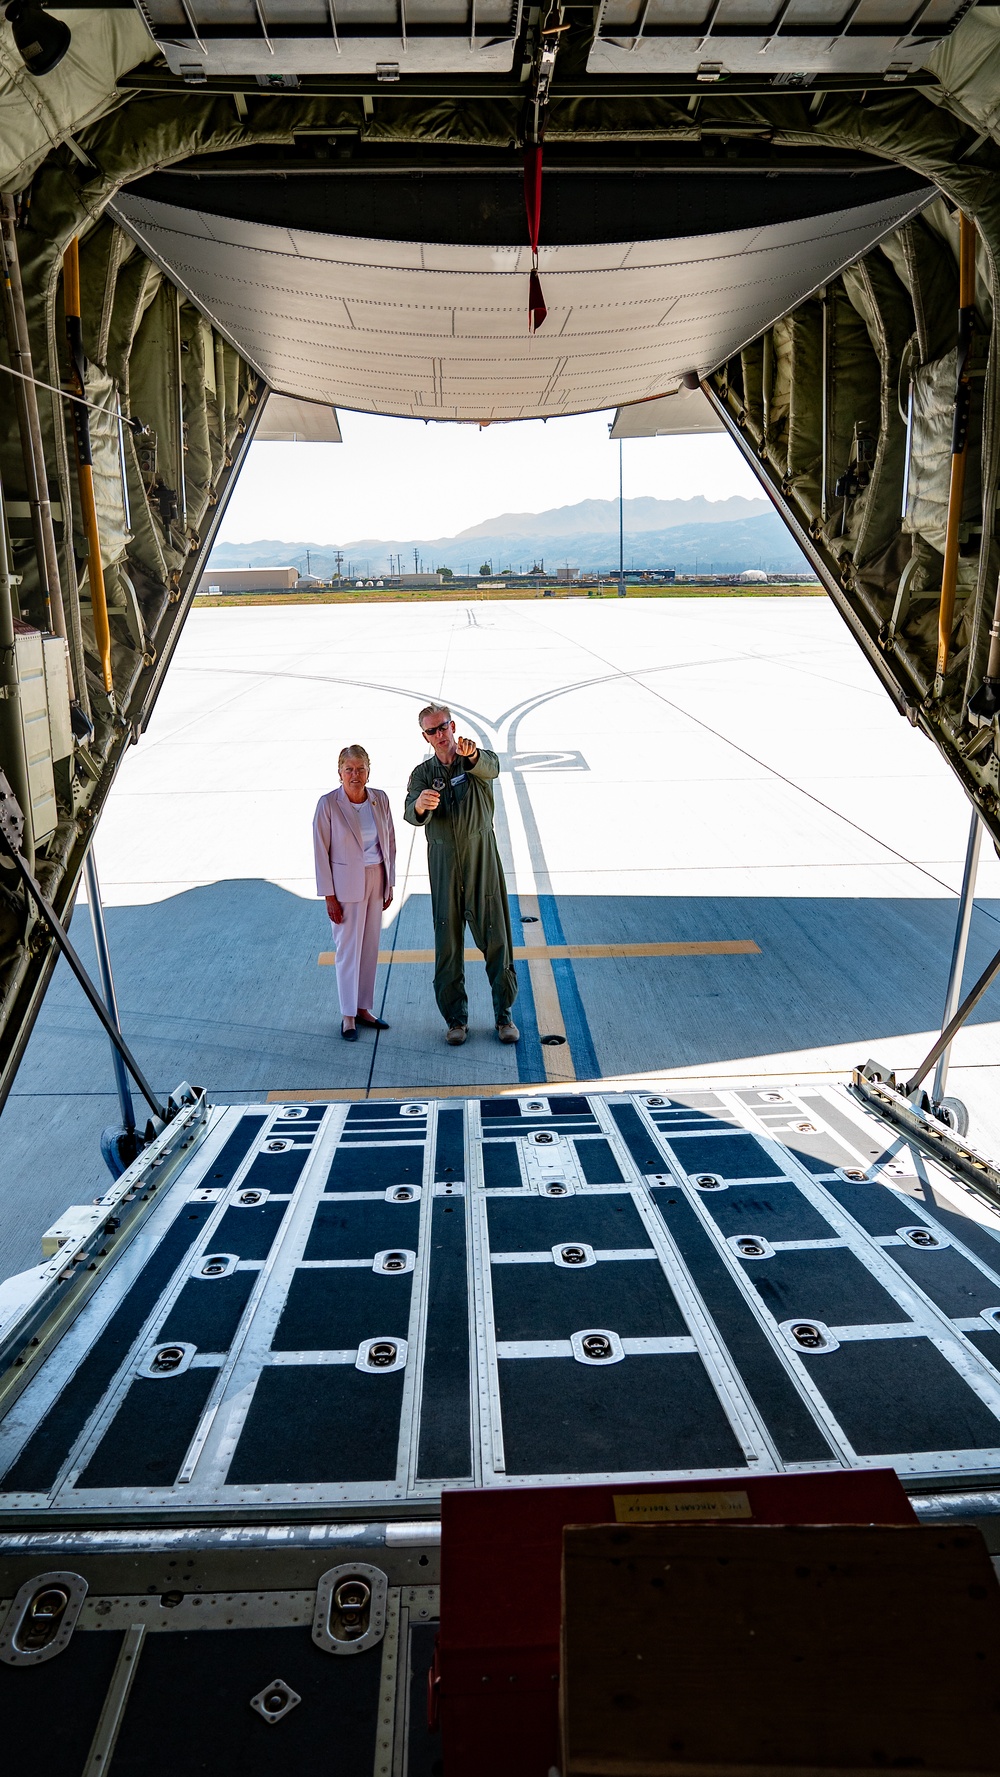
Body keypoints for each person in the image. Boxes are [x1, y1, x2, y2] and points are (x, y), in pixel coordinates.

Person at [404, 703, 518, 1047]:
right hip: (444, 864)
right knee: (448, 943)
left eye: (443, 727)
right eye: (432, 731)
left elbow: (493, 768)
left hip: (481, 859)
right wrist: (421, 804)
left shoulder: (476, 760)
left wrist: (471, 757)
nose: (440, 735)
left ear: (453, 726)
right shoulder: (423, 774)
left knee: (496, 938)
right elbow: (411, 811)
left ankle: (504, 1017)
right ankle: (455, 1020)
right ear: (424, 736)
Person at [313, 745, 396, 1041]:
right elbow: (321, 853)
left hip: (376, 880)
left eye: (360, 769)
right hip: (345, 887)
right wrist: (329, 896)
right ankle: (348, 1015)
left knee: (370, 947)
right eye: (349, 769)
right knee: (348, 951)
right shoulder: (328, 805)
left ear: (369, 771)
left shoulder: (380, 800)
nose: (355, 775)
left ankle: (364, 1008)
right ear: (339, 773)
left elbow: (389, 842)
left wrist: (389, 883)